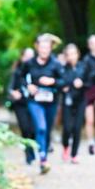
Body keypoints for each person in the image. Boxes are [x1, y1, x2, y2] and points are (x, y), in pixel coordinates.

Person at [22, 35, 65, 175]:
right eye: (42, 47)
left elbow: (64, 81)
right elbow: (20, 77)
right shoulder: (29, 63)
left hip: (51, 101)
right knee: (41, 127)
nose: (44, 50)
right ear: (37, 47)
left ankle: (43, 156)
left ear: (50, 48)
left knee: (47, 129)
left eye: (47, 48)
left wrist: (52, 81)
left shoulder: (56, 64)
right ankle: (43, 158)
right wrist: (28, 86)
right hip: (34, 101)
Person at [6, 48, 37, 165]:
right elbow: (10, 88)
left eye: (31, 56)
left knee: (33, 129)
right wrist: (14, 93)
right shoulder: (17, 72)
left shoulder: (36, 71)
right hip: (20, 104)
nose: (29, 59)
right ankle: (28, 154)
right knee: (25, 129)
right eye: (27, 56)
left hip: (34, 103)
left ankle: (33, 149)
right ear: (22, 57)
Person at [59, 43, 86, 164]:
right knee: (67, 128)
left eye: (73, 54)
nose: (71, 56)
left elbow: (90, 80)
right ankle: (65, 146)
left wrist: (82, 83)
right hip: (67, 101)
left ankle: (74, 154)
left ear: (78, 54)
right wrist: (70, 84)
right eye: (68, 54)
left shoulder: (84, 66)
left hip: (80, 100)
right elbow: (60, 82)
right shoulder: (63, 68)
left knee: (77, 128)